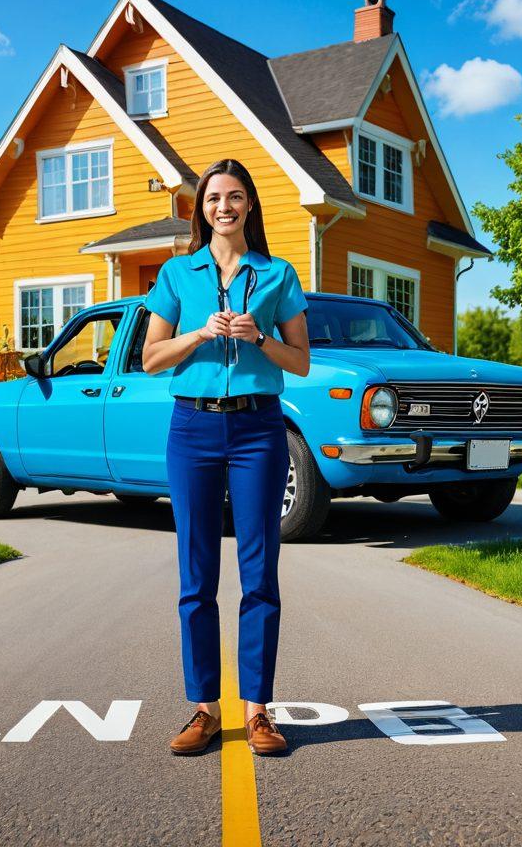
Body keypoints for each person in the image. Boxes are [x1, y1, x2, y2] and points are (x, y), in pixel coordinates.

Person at [142, 158, 311, 756]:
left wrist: (258, 338)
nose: (224, 207)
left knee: (259, 572)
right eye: (214, 198)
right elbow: (151, 358)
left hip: (258, 429)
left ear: (249, 205)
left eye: (235, 196)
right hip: (192, 427)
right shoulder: (177, 273)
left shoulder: (277, 273)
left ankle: (258, 711)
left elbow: (301, 361)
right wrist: (200, 334)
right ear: (202, 208)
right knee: (196, 575)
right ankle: (205, 709)